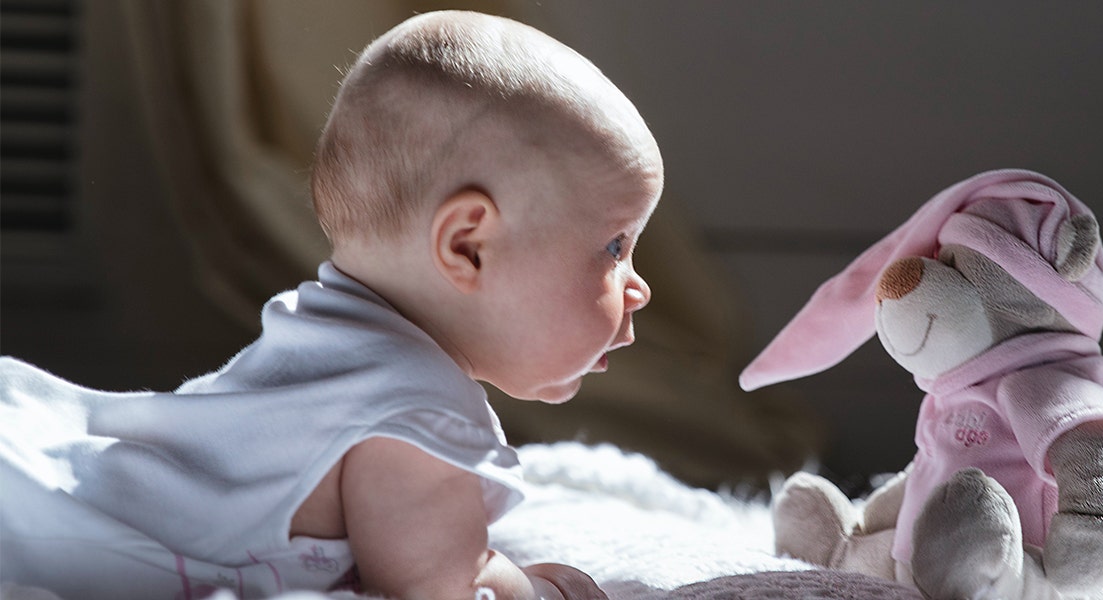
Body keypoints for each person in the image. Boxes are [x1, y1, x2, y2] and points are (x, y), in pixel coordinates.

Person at [0, 10, 661, 600]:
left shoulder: (322, 324)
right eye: (613, 246)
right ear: (467, 246)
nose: (639, 286)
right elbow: (436, 589)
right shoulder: (416, 411)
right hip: (42, 527)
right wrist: (538, 588)